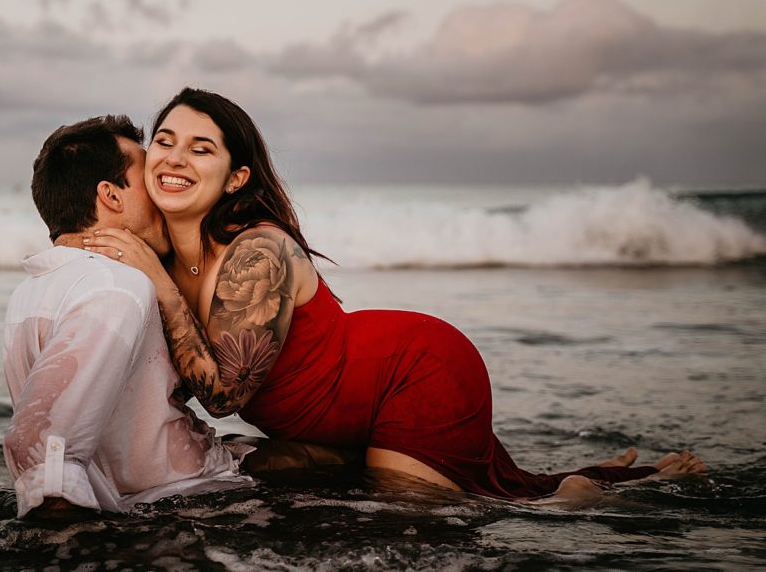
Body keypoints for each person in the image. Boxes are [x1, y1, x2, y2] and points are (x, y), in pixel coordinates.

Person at [83, 87, 708, 500]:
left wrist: (159, 285)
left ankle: (576, 501)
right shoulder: (162, 247)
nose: (175, 158)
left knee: (411, 514)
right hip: (336, 412)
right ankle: (584, 480)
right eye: (164, 140)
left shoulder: (258, 252)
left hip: (414, 371)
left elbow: (222, 395)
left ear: (235, 176)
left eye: (201, 148)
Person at [2, 115, 252, 519]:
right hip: (191, 502)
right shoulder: (116, 286)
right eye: (149, 180)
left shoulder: (29, 291)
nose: (162, 193)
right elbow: (40, 444)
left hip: (149, 497)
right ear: (111, 196)